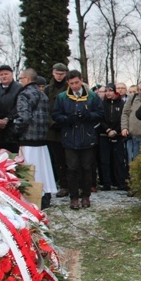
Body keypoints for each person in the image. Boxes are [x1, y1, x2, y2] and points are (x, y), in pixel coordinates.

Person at [52, 70, 104, 210]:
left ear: (81, 81)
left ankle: (86, 195)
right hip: (70, 139)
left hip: (87, 138)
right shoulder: (62, 97)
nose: (74, 86)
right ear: (68, 83)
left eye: (76, 82)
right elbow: (56, 115)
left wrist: (88, 115)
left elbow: (100, 114)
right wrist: (67, 119)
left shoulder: (92, 96)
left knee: (87, 168)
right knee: (72, 168)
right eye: (71, 83)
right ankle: (74, 197)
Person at [14, 68, 57, 209]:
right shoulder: (42, 95)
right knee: (43, 169)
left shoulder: (24, 95)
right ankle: (45, 196)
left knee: (30, 170)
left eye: (20, 79)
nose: (20, 81)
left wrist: (15, 129)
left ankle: (32, 197)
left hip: (28, 138)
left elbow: (24, 117)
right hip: (42, 139)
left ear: (26, 79)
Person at [44, 62, 70, 198]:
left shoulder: (69, 88)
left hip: (67, 128)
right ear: (53, 73)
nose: (59, 76)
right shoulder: (48, 90)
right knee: (58, 160)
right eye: (57, 74)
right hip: (53, 131)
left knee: (70, 160)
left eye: (62, 74)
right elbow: (44, 109)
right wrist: (52, 123)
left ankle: (72, 184)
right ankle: (63, 185)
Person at [100, 83, 128, 191]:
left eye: (110, 90)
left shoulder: (121, 104)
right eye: (106, 91)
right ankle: (106, 183)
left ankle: (121, 182)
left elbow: (122, 118)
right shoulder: (102, 104)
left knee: (119, 160)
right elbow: (100, 118)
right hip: (104, 135)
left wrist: (116, 131)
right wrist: (107, 130)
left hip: (118, 135)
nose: (108, 93)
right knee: (105, 160)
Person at [0, 65, 23, 153]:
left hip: (14, 129)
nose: (4, 76)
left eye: (6, 74)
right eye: (1, 75)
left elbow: (20, 106)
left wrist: (8, 118)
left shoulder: (19, 88)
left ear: (12, 75)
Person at [121, 82, 141, 163]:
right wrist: (124, 127)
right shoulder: (132, 98)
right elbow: (125, 113)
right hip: (132, 137)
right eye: (139, 89)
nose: (140, 91)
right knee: (133, 162)